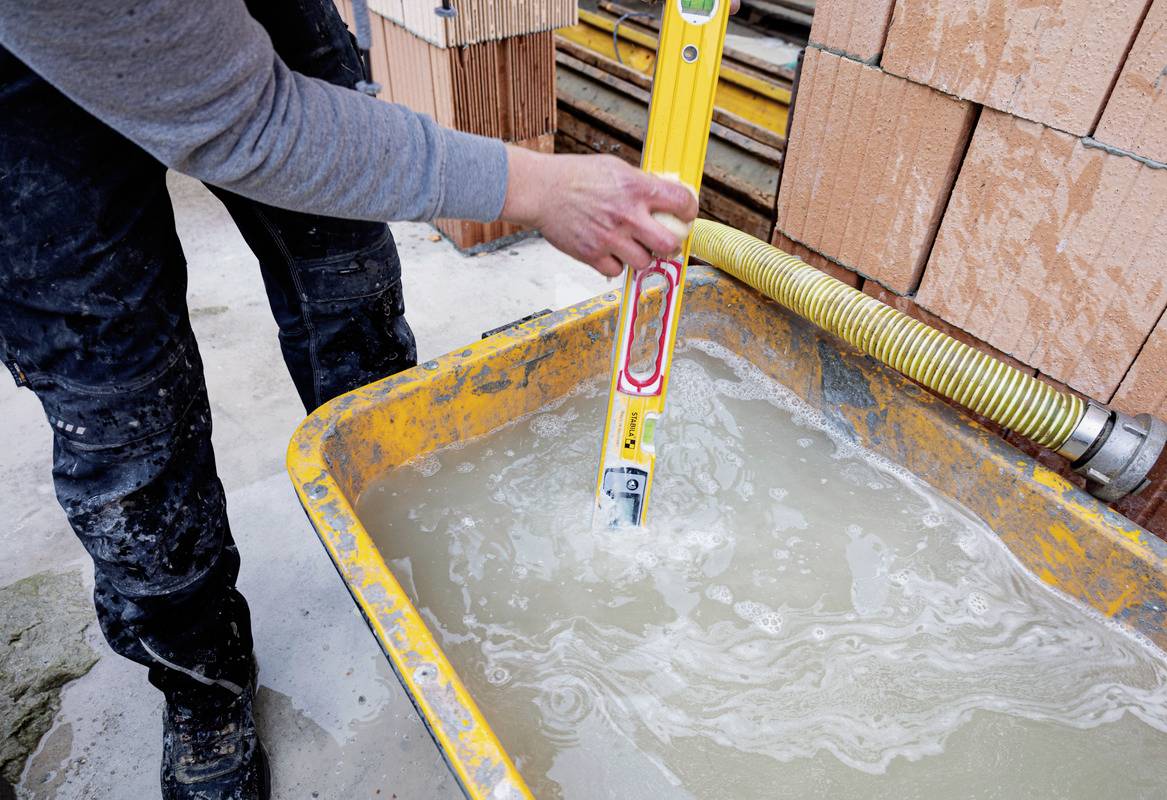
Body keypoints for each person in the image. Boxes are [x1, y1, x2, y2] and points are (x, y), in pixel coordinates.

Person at [0, 0, 705, 797]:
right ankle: (202, 681)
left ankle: (400, 544)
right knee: (123, 411)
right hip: (28, 72)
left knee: (348, 288)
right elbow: (248, 126)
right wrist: (538, 187)